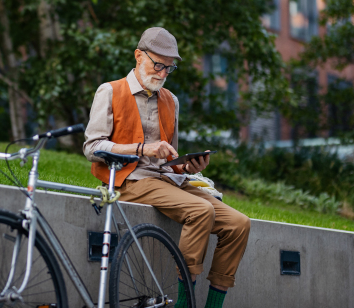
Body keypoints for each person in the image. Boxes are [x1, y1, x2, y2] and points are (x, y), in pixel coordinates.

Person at [83, 27, 250, 308]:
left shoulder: (170, 100)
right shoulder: (110, 91)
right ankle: (184, 304)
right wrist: (141, 149)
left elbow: (167, 161)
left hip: (166, 181)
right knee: (201, 210)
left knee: (238, 224)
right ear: (138, 56)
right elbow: (92, 148)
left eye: (168, 68)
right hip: (129, 180)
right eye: (157, 65)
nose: (162, 73)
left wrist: (185, 166)